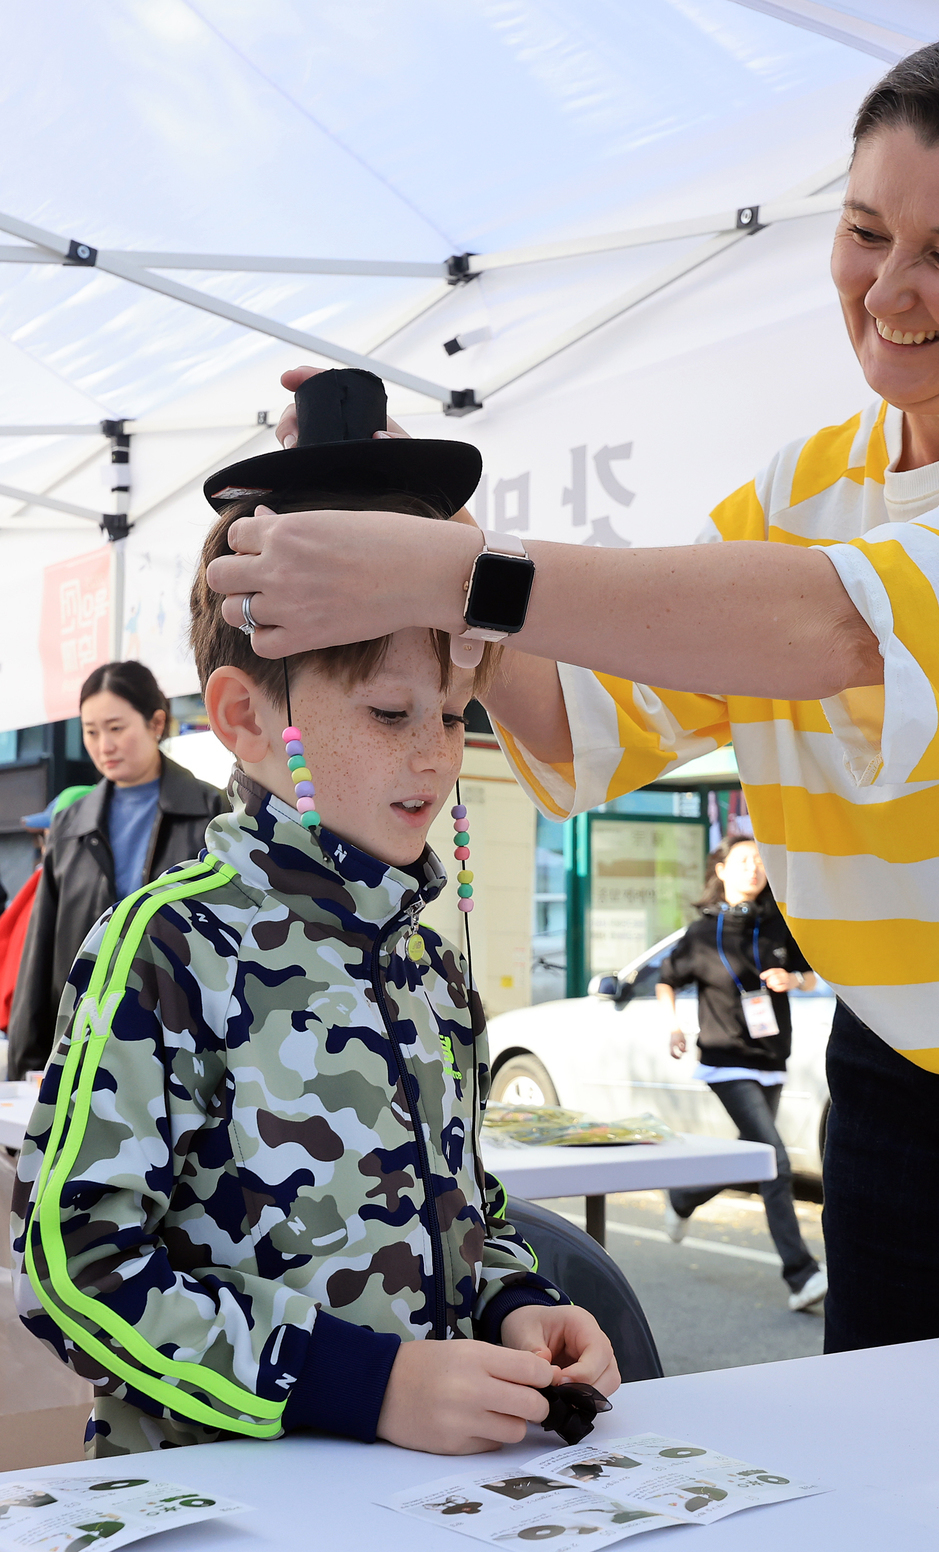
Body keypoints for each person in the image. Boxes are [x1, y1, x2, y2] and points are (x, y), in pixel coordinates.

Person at [206, 20, 939, 1357]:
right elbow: (587, 717)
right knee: (904, 1493)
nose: (887, 290)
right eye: (866, 230)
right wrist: (405, 522)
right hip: (908, 1093)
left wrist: (458, 571)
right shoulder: (805, 485)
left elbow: (846, 630)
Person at [11, 372, 617, 1458]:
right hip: (232, 1500)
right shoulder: (170, 944)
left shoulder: (426, 958)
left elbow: (463, 1202)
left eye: (450, 711)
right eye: (389, 712)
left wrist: (509, 1306)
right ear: (246, 717)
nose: (434, 753)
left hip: (421, 1504)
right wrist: (365, 1384)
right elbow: (76, 1264)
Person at [6, 662, 227, 1079]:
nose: (103, 745)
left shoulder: (212, 813)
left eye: (116, 728)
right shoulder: (70, 825)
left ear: (156, 722)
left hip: (182, 1045)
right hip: (83, 1044)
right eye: (91, 731)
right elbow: (40, 955)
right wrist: (24, 1069)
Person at [656, 837, 825, 1312]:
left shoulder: (779, 923)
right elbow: (667, 978)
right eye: (744, 861)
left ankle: (684, 1198)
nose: (755, 869)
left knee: (749, 1154)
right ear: (723, 869)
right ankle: (802, 1274)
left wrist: (793, 980)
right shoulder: (700, 932)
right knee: (774, 1161)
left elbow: (811, 973)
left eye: (761, 862)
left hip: (771, 1059)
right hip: (725, 1059)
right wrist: (673, 1025)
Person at [0, 788, 92, 1040]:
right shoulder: (44, 881)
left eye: (52, 834)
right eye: (45, 835)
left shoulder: (63, 887)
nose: (46, 843)